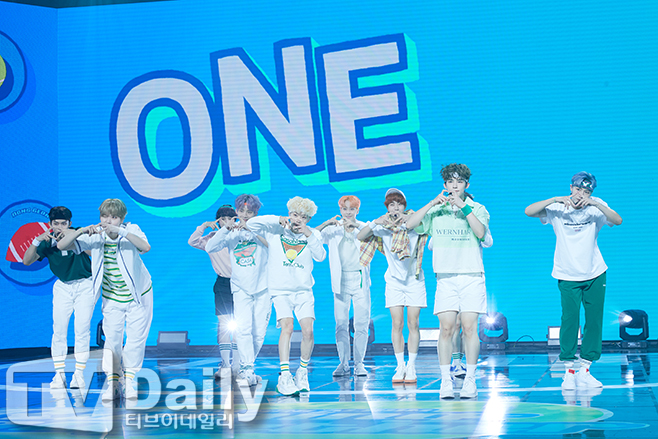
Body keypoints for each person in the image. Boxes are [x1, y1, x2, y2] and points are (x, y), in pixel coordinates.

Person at [525, 171, 622, 389]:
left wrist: (595, 203)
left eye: (586, 191)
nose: (581, 194)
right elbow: (529, 211)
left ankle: (585, 369)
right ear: (571, 188)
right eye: (578, 189)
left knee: (594, 321)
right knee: (569, 319)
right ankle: (568, 370)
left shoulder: (596, 207)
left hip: (595, 272)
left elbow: (618, 220)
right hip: (567, 273)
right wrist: (554, 199)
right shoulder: (558, 208)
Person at [407, 164, 490, 399]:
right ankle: (445, 381)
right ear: (445, 185)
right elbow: (410, 224)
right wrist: (431, 203)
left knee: (470, 328)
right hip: (445, 277)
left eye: (459, 181)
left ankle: (470, 380)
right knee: (446, 329)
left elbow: (481, 233)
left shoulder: (478, 208)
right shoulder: (437, 211)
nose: (455, 186)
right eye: (450, 182)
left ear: (466, 185)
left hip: (472, 276)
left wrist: (464, 207)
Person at [57, 199, 152, 401]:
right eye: (105, 216)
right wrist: (81, 231)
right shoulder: (96, 236)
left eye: (114, 217)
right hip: (112, 297)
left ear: (122, 218)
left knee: (135, 340)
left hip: (139, 296)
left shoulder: (131, 229)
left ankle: (130, 381)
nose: (108, 221)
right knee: (112, 341)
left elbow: (145, 247)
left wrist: (122, 232)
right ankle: (113, 382)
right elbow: (61, 245)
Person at [247, 197, 326, 396]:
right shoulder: (275, 230)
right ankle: (284, 376)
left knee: (308, 331)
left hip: (303, 291)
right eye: (295, 214)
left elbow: (321, 256)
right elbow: (251, 223)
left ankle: (302, 371)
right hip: (280, 290)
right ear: (289, 214)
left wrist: (308, 233)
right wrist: (277, 219)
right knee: (288, 327)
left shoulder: (312, 234)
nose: (298, 219)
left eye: (303, 217)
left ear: (308, 219)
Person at [358, 188, 427, 385]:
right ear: (387, 208)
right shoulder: (383, 228)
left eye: (399, 204)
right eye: (391, 204)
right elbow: (361, 236)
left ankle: (411, 365)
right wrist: (375, 222)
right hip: (394, 281)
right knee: (397, 324)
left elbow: (423, 223)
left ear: (404, 206)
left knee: (413, 323)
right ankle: (400, 365)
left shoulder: (415, 224)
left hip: (414, 280)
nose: (395, 208)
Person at [22, 206, 94, 390]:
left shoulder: (79, 233)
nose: (60, 227)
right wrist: (37, 241)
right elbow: (27, 261)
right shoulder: (47, 242)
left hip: (85, 285)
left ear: (70, 223)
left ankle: (79, 374)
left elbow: (93, 252)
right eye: (56, 224)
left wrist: (74, 235)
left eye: (63, 223)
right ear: (50, 224)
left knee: (82, 329)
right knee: (59, 330)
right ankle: (59, 374)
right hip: (62, 286)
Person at [205, 194, 270, 386]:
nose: (245, 215)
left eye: (250, 212)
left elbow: (272, 246)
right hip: (240, 288)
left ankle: (247, 366)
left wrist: (252, 229)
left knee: (258, 333)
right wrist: (225, 229)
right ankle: (246, 369)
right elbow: (210, 247)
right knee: (243, 330)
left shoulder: (264, 228)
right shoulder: (231, 233)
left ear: (256, 213)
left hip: (263, 288)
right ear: (237, 212)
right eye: (241, 211)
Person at [316, 195, 371, 377]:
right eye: (344, 209)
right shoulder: (333, 230)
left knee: (361, 324)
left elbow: (375, 233)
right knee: (341, 324)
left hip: (359, 279)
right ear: (340, 210)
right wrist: (326, 223)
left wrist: (356, 225)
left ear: (357, 210)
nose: (348, 212)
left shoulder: (363, 227)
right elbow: (312, 236)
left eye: (351, 209)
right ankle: (343, 363)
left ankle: (359, 363)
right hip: (340, 280)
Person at [189, 205, 239, 377]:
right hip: (223, 284)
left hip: (241, 285)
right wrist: (203, 226)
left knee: (240, 325)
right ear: (218, 221)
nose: (227, 222)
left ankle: (237, 365)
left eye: (230, 219)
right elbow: (192, 241)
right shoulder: (211, 238)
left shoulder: (240, 236)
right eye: (223, 219)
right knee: (224, 325)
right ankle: (225, 364)